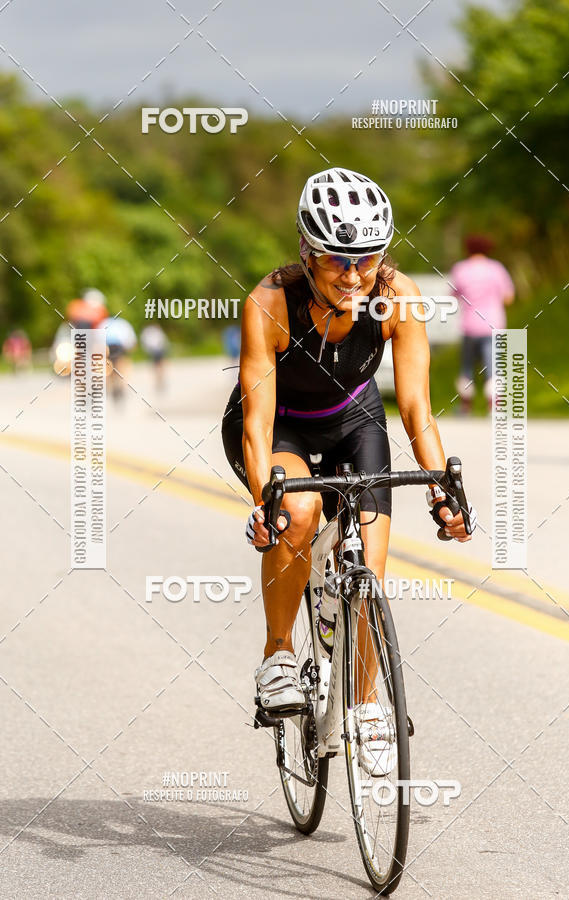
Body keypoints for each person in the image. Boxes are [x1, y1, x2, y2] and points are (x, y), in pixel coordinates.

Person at [221, 167, 474, 774]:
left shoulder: (397, 297)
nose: (354, 275)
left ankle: (363, 703)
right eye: (338, 259)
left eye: (368, 258)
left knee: (370, 573)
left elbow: (415, 408)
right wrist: (264, 502)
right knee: (299, 509)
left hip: (355, 421)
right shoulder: (270, 302)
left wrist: (443, 490)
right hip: (280, 425)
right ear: (307, 253)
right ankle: (279, 655)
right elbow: (257, 423)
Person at [449, 235, 515, 414]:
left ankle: (465, 406)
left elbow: (453, 294)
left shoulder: (460, 269)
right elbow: (508, 297)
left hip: (469, 325)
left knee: (467, 366)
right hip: (493, 324)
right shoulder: (496, 269)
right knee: (493, 366)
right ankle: (494, 405)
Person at [140, 324, 169, 392]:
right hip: (158, 350)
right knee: (159, 365)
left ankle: (159, 378)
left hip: (156, 351)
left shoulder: (147, 333)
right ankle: (160, 378)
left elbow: (145, 343)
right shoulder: (156, 332)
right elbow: (164, 341)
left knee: (157, 365)